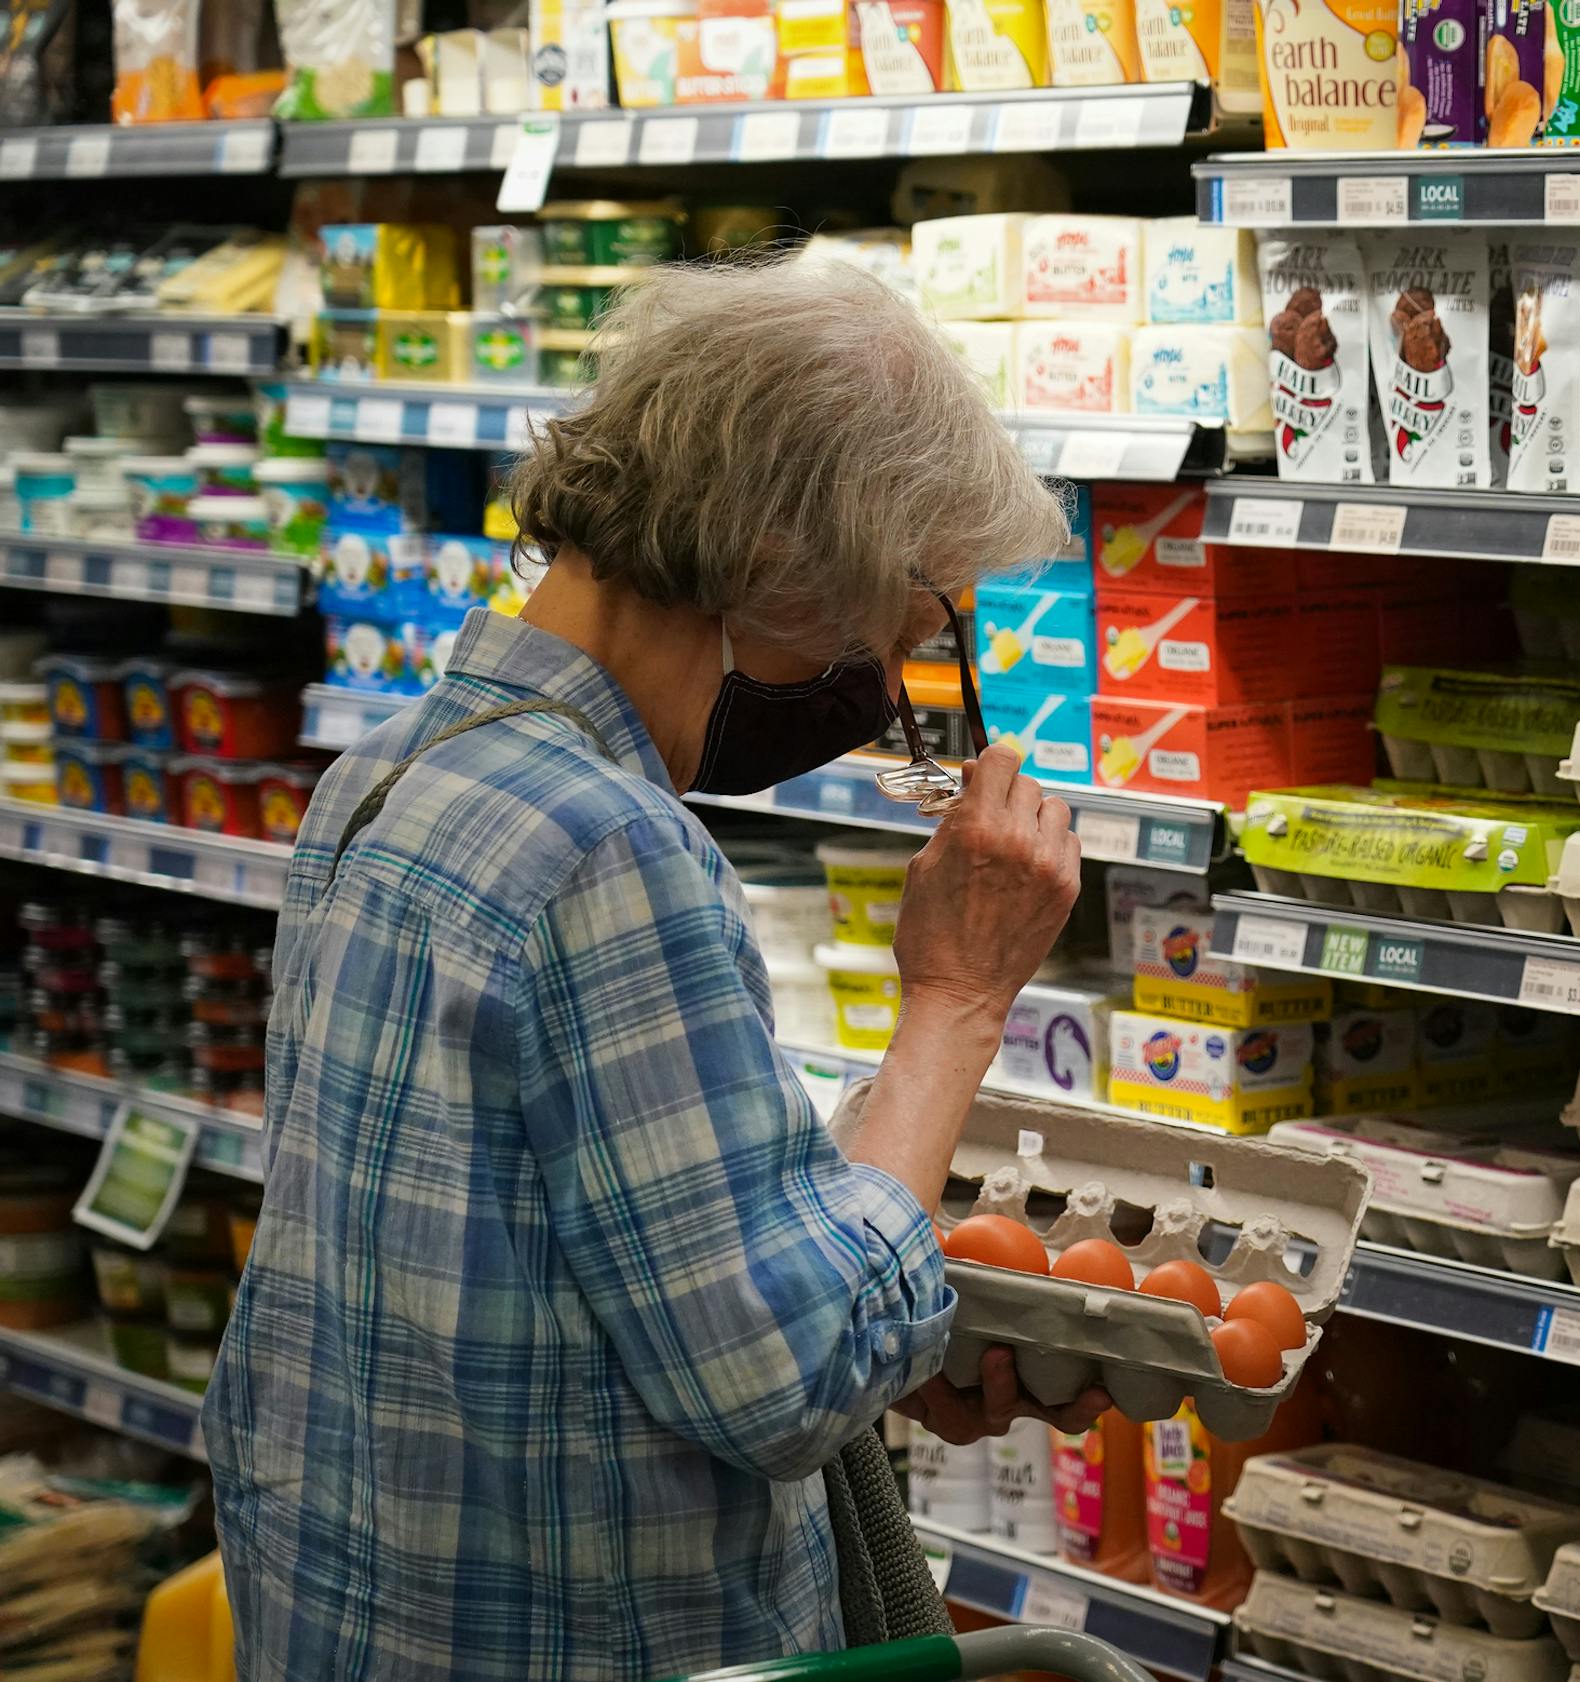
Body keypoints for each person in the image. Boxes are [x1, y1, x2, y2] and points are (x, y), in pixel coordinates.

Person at [201, 259, 1107, 1682]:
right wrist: (959, 997)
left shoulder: (383, 776)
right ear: (772, 561)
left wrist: (900, 1337)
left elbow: (568, 1273)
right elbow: (788, 1378)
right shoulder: (609, 848)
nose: (881, 696)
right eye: (892, 644)